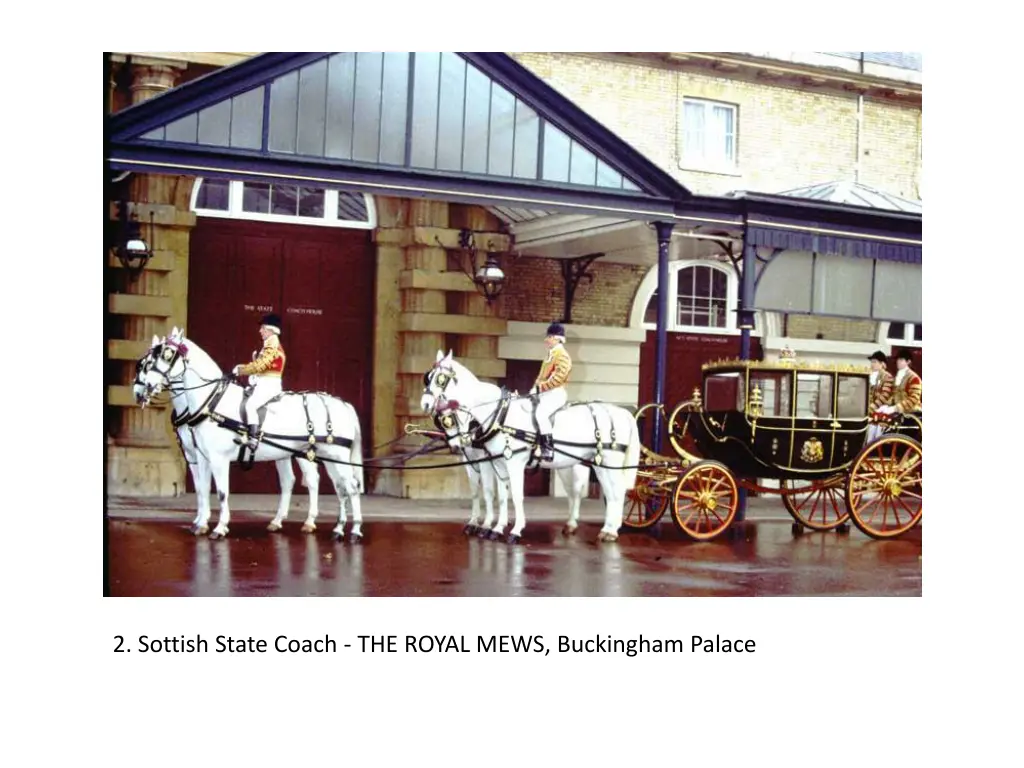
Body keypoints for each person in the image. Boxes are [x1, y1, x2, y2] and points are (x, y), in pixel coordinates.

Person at [232, 313, 286, 449]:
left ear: (270, 329)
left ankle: (253, 438)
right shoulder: (268, 344)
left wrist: (240, 370)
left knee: (250, 405)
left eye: (263, 328)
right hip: (263, 383)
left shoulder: (272, 344)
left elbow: (260, 366)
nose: (260, 331)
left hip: (269, 385)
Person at [530, 322, 572, 462]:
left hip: (556, 393)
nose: (546, 340)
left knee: (541, 413)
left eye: (549, 337)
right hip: (545, 393)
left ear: (556, 338)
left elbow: (558, 377)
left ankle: (547, 447)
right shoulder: (551, 354)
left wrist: (540, 388)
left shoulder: (562, 355)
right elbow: (542, 376)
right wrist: (533, 390)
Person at [865, 350, 895, 443]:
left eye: (874, 362)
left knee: (877, 438)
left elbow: (884, 396)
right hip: (873, 411)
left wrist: (872, 407)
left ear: (882, 364)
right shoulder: (871, 376)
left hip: (883, 410)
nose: (872, 364)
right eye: (872, 362)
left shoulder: (887, 377)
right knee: (869, 437)